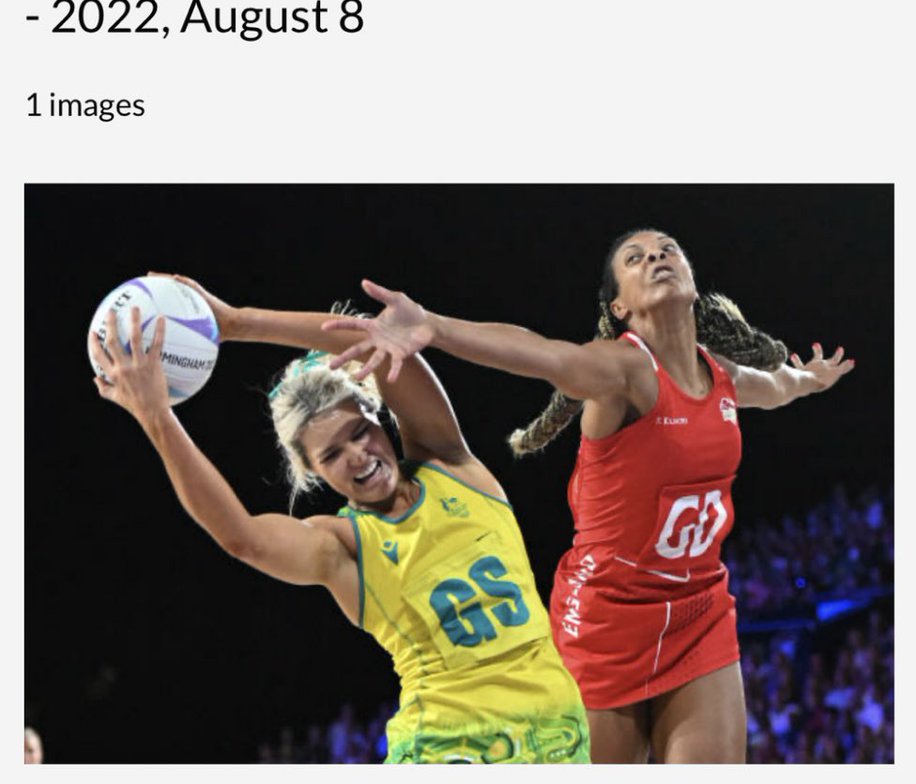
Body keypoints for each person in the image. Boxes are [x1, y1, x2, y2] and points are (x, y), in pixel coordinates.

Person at [323, 229, 855, 763]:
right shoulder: (622, 371)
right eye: (636, 257)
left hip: (698, 610)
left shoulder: (723, 377)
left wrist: (810, 378)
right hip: (607, 620)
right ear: (619, 305)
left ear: (693, 283)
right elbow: (541, 354)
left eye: (667, 250)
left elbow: (780, 386)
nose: (656, 258)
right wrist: (435, 327)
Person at [89, 281, 589, 765]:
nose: (358, 455)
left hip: (559, 736)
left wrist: (237, 323)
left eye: (360, 432)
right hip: (446, 749)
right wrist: (157, 416)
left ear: (379, 417)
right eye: (332, 453)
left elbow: (380, 340)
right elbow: (240, 536)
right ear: (314, 472)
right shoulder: (342, 546)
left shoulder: (452, 466)